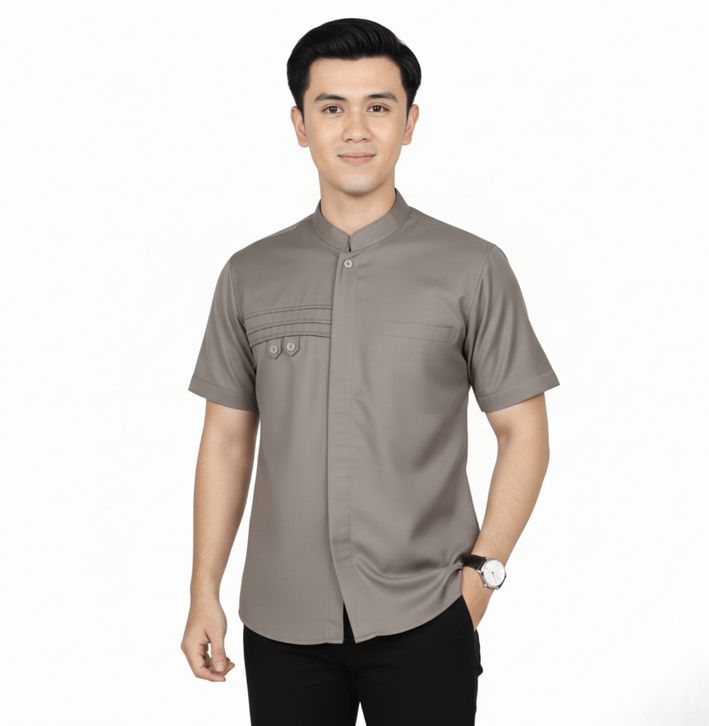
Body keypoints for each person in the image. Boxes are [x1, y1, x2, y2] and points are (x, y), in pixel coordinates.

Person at [180, 17, 560, 726]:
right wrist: (205, 589)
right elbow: (227, 441)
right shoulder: (249, 274)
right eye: (332, 108)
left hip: (427, 612)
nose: (356, 129)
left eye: (378, 106)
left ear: (409, 122)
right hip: (282, 621)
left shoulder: (473, 268)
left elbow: (525, 432)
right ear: (300, 124)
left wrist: (480, 579)